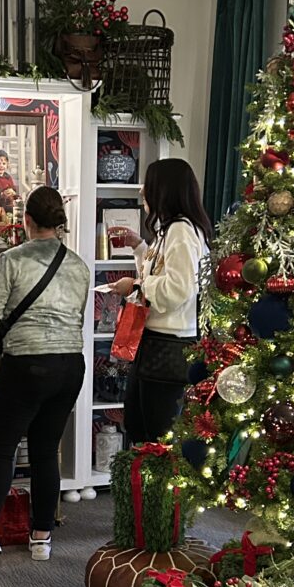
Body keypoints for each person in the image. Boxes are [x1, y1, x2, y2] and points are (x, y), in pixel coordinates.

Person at [0, 186, 89, 569]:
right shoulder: (79, 266)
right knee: (45, 451)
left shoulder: (11, 260)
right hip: (70, 365)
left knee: (2, 449)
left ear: (26, 221)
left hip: (25, 364)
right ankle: (41, 537)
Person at [109, 158, 212, 445]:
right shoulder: (170, 229)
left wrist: (137, 285)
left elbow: (178, 290)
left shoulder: (181, 230)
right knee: (140, 427)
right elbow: (161, 273)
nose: (143, 194)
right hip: (156, 342)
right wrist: (139, 246)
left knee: (155, 437)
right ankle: (139, 488)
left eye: (147, 187)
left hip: (169, 346)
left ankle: (146, 489)